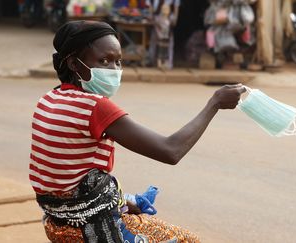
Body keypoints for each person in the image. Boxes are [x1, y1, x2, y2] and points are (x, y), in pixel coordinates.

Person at [29, 20, 245, 243]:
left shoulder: (48, 99)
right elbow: (171, 150)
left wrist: (123, 202)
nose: (113, 70)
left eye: (118, 62)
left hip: (57, 224)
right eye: (104, 61)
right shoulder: (95, 106)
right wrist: (215, 103)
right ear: (74, 63)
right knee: (187, 240)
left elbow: (66, 178)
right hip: (92, 229)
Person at [146, 0, 181, 68]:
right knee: (154, 40)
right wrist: (151, 16)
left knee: (169, 42)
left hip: (168, 20)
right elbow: (150, 6)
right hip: (156, 19)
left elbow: (176, 7)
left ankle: (168, 63)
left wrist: (175, 19)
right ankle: (152, 61)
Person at [155, 4, 171, 69]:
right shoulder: (159, 18)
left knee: (165, 50)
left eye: (167, 9)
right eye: (164, 9)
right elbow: (157, 27)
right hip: (161, 36)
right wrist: (159, 34)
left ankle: (164, 63)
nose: (166, 11)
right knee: (160, 49)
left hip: (166, 37)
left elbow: (169, 28)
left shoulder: (168, 19)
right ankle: (159, 63)